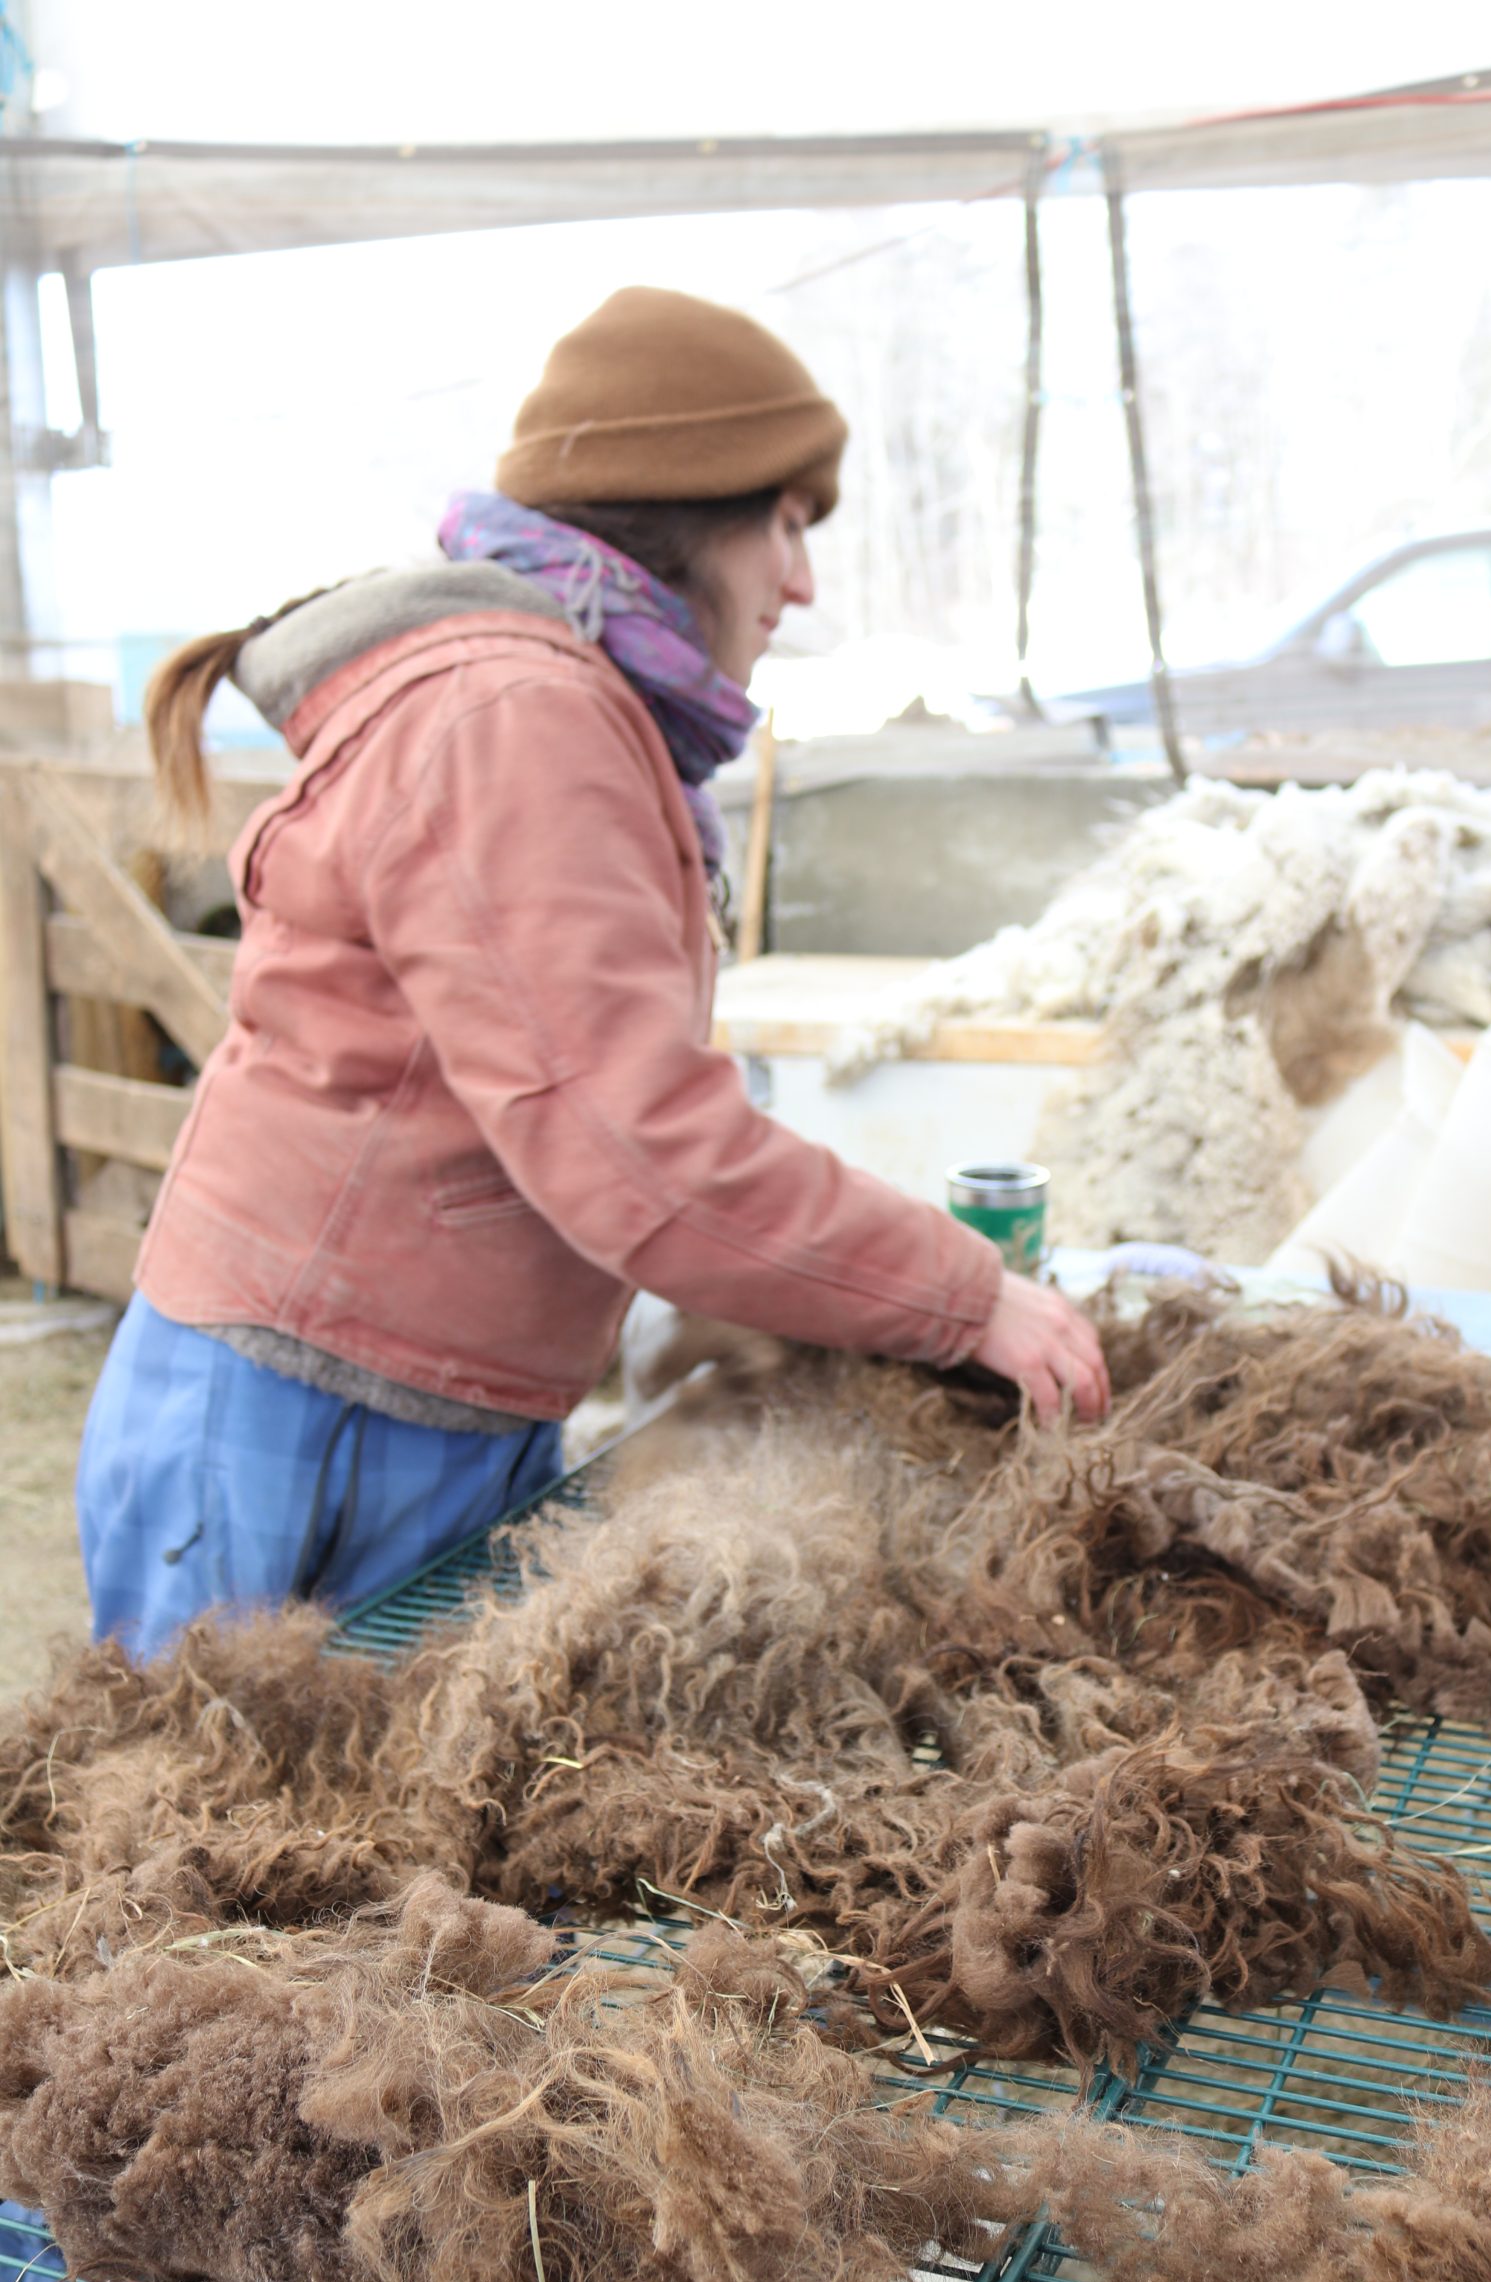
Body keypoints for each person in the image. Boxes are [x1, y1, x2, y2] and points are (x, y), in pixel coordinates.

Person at [74, 284, 1110, 1665]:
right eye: (789, 525)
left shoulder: (566, 702)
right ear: (685, 513)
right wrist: (963, 1290)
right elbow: (635, 1146)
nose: (801, 583)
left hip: (416, 1396)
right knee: (224, 1835)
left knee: (390, 1825)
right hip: (304, 1414)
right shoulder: (521, 716)